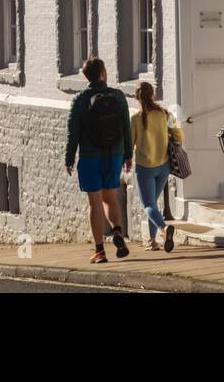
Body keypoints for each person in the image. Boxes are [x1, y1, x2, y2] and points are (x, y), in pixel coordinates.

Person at [64, 56, 134, 263]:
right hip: (114, 155)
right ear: (103, 72)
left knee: (95, 204)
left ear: (86, 76)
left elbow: (72, 132)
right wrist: (128, 155)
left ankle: (99, 251)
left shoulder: (80, 100)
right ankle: (118, 232)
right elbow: (126, 129)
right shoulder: (118, 96)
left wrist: (69, 158)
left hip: (90, 156)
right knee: (110, 198)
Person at [132, 81, 182, 252]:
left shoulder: (136, 119)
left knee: (148, 205)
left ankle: (163, 228)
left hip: (145, 167)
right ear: (152, 94)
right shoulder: (165, 113)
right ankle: (152, 241)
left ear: (137, 98)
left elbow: (129, 142)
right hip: (164, 166)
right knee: (153, 204)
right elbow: (179, 135)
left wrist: (125, 159)